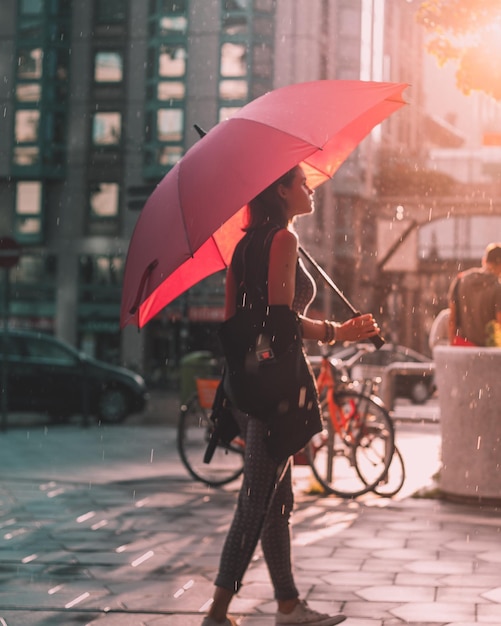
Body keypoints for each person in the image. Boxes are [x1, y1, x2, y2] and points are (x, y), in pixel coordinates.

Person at [202, 165, 380, 626]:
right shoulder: (282, 241)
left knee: (277, 501)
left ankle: (287, 606)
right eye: (301, 183)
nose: (309, 189)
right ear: (280, 191)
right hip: (273, 391)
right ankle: (216, 615)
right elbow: (280, 321)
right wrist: (338, 332)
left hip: (243, 386)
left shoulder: (244, 246)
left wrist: (237, 383)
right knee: (257, 500)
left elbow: (232, 323)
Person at [448, 242, 501, 347]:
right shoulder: (498, 288)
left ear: (484, 261)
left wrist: (452, 345)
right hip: (487, 351)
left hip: (462, 347)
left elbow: (452, 319)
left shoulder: (460, 279)